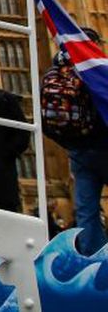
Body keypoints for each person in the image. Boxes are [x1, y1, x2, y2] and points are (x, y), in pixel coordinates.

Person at [41, 27, 108, 254]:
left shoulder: (56, 72)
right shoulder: (97, 71)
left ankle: (94, 263)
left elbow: (48, 120)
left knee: (86, 211)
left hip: (78, 152)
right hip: (102, 145)